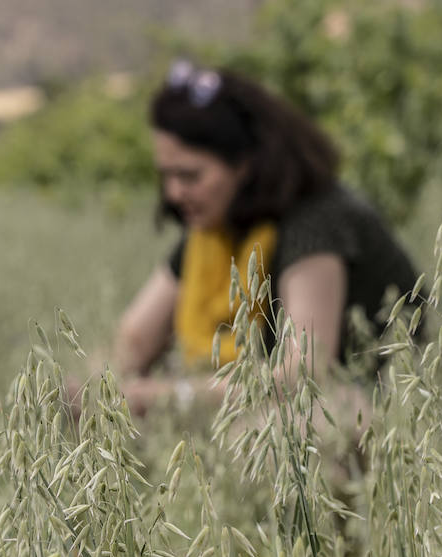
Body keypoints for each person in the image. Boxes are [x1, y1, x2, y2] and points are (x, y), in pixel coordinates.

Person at [93, 61, 422, 431]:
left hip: (385, 411)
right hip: (309, 405)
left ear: (244, 164)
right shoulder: (215, 227)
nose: (173, 193)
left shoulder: (317, 219)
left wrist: (170, 397)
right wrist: (90, 396)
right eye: (166, 175)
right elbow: (134, 339)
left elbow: (305, 370)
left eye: (189, 175)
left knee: (261, 434)